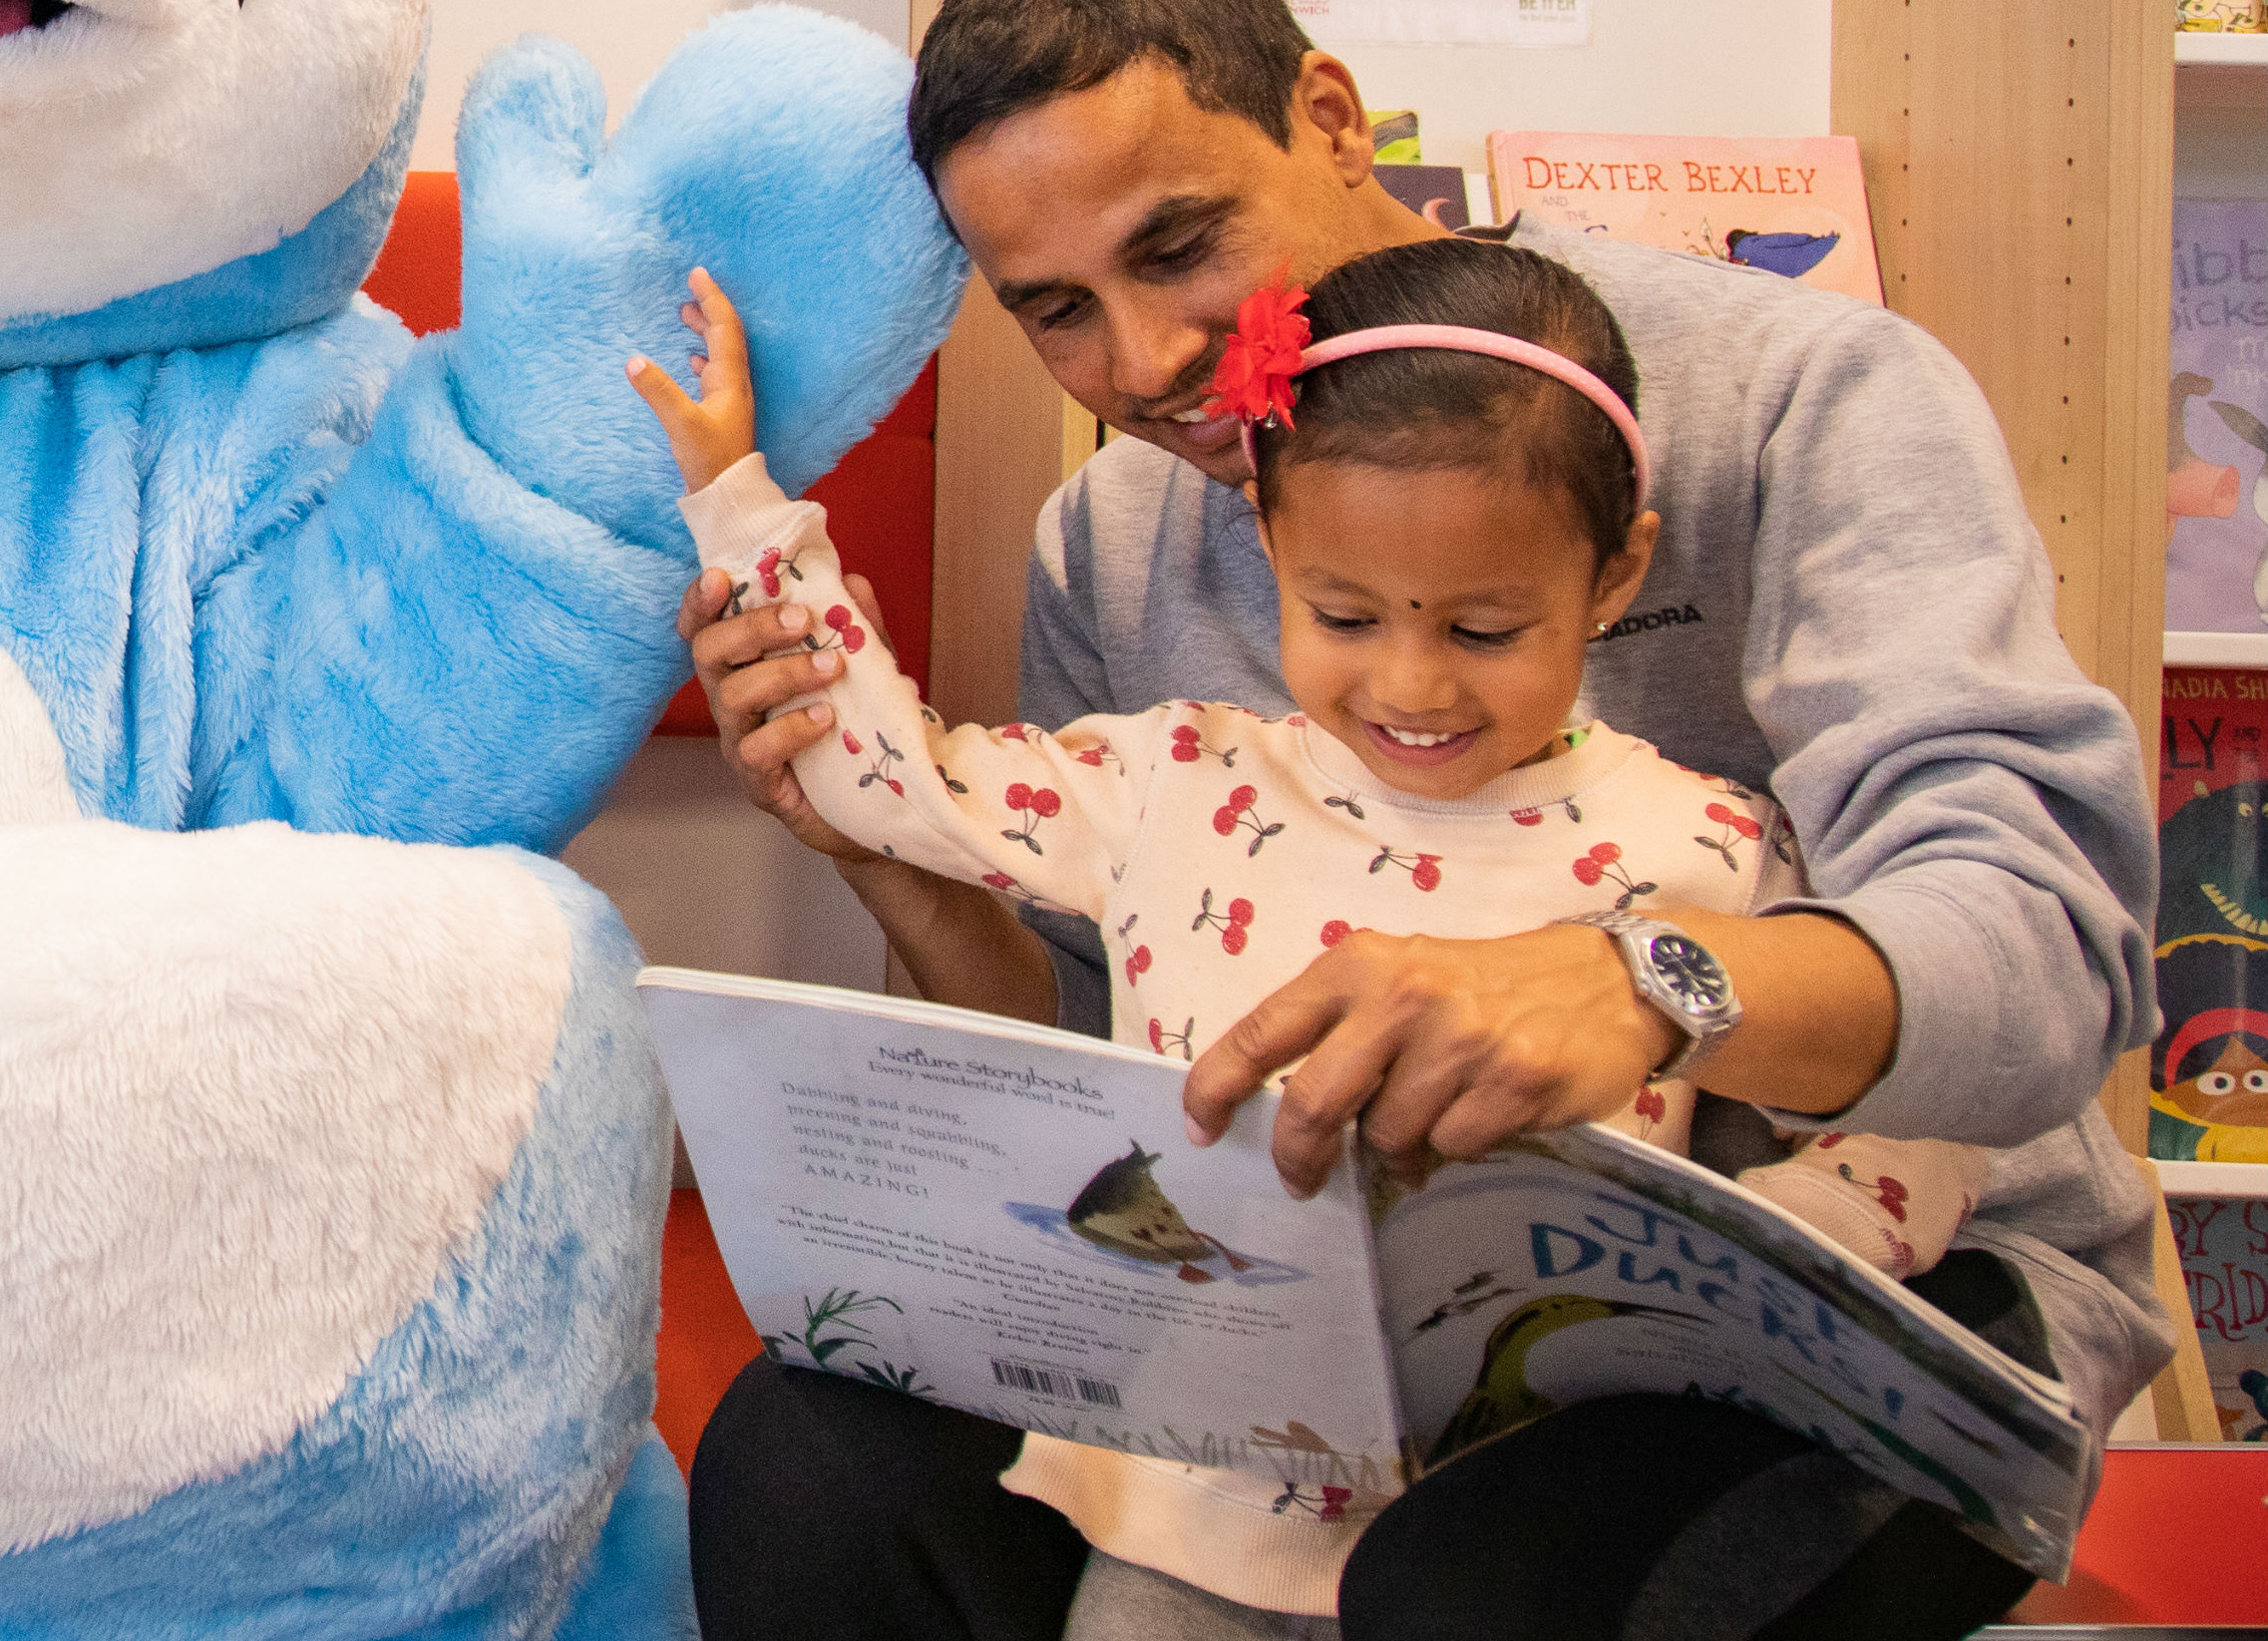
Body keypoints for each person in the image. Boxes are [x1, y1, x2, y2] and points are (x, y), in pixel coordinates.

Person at [677, 0, 2168, 1638]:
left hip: (1868, 1285)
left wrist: (1638, 981)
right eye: (1053, 311)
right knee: (805, 1456)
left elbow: (2046, 951)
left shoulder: (1794, 394)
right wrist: (877, 835)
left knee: (1469, 1583)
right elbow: (1095, 1076)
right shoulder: (1115, 533)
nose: (1144, 365)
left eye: (1176, 249)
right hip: (1287, 1322)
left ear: (1326, 115)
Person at [637, 242, 1998, 1633]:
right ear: (1272, 547)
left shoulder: (1701, 839)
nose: (1410, 683)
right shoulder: (1179, 778)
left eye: (1486, 627)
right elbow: (895, 785)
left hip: (1520, 1504)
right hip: (1189, 1499)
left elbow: (1927, 1105)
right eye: (1342, 615)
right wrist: (742, 511)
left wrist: (1770, 1248)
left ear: (1613, 572)